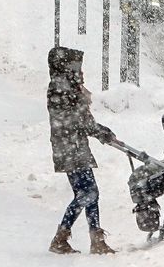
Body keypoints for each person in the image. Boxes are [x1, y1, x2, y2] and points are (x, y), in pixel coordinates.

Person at [47, 46, 117, 255]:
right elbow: (79, 121)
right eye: (77, 66)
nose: (81, 71)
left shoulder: (66, 86)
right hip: (71, 148)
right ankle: (69, 237)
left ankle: (89, 239)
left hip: (72, 147)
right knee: (89, 193)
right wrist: (101, 132)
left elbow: (80, 120)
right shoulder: (63, 87)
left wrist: (100, 131)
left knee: (87, 193)